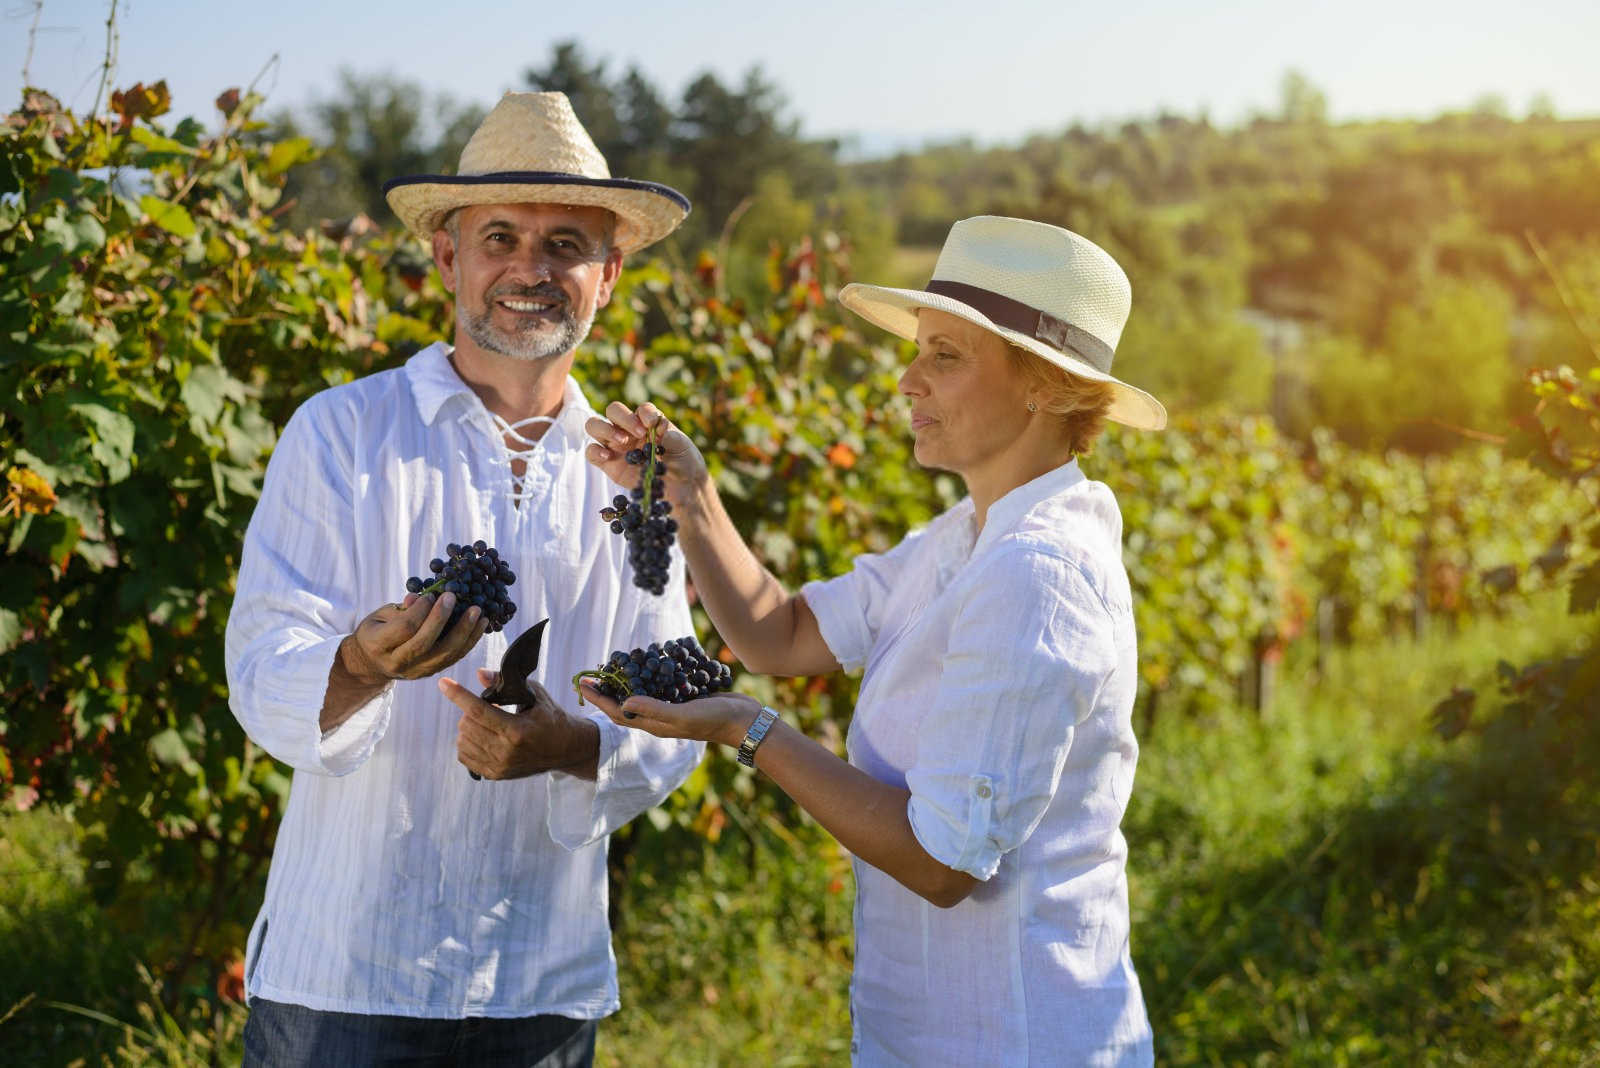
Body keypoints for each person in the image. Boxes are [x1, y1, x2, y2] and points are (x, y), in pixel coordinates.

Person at [580, 215, 1167, 1066]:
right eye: (919, 350)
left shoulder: (1036, 572)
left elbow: (942, 863)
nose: (907, 381)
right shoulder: (967, 538)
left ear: (1042, 386)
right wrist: (691, 496)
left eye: (945, 357)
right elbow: (778, 633)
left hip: (1016, 1035)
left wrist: (746, 729)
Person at [224, 92, 702, 1067]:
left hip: (538, 977)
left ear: (608, 274)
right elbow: (264, 658)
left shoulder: (633, 473)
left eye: (565, 243)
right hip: (346, 975)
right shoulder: (342, 433)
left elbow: (675, 697)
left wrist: (573, 744)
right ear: (448, 257)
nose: (530, 269)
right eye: (499, 237)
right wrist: (357, 664)